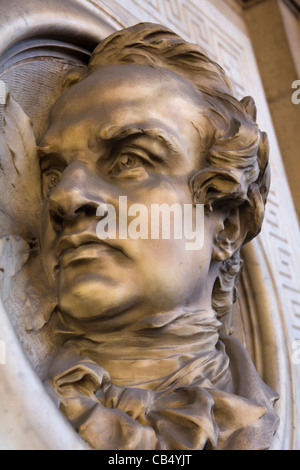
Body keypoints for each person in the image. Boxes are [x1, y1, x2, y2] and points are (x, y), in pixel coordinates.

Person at [36, 23, 279, 450]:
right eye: (54, 172)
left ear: (227, 226)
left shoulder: (252, 415)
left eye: (130, 159)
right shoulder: (30, 383)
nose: (65, 196)